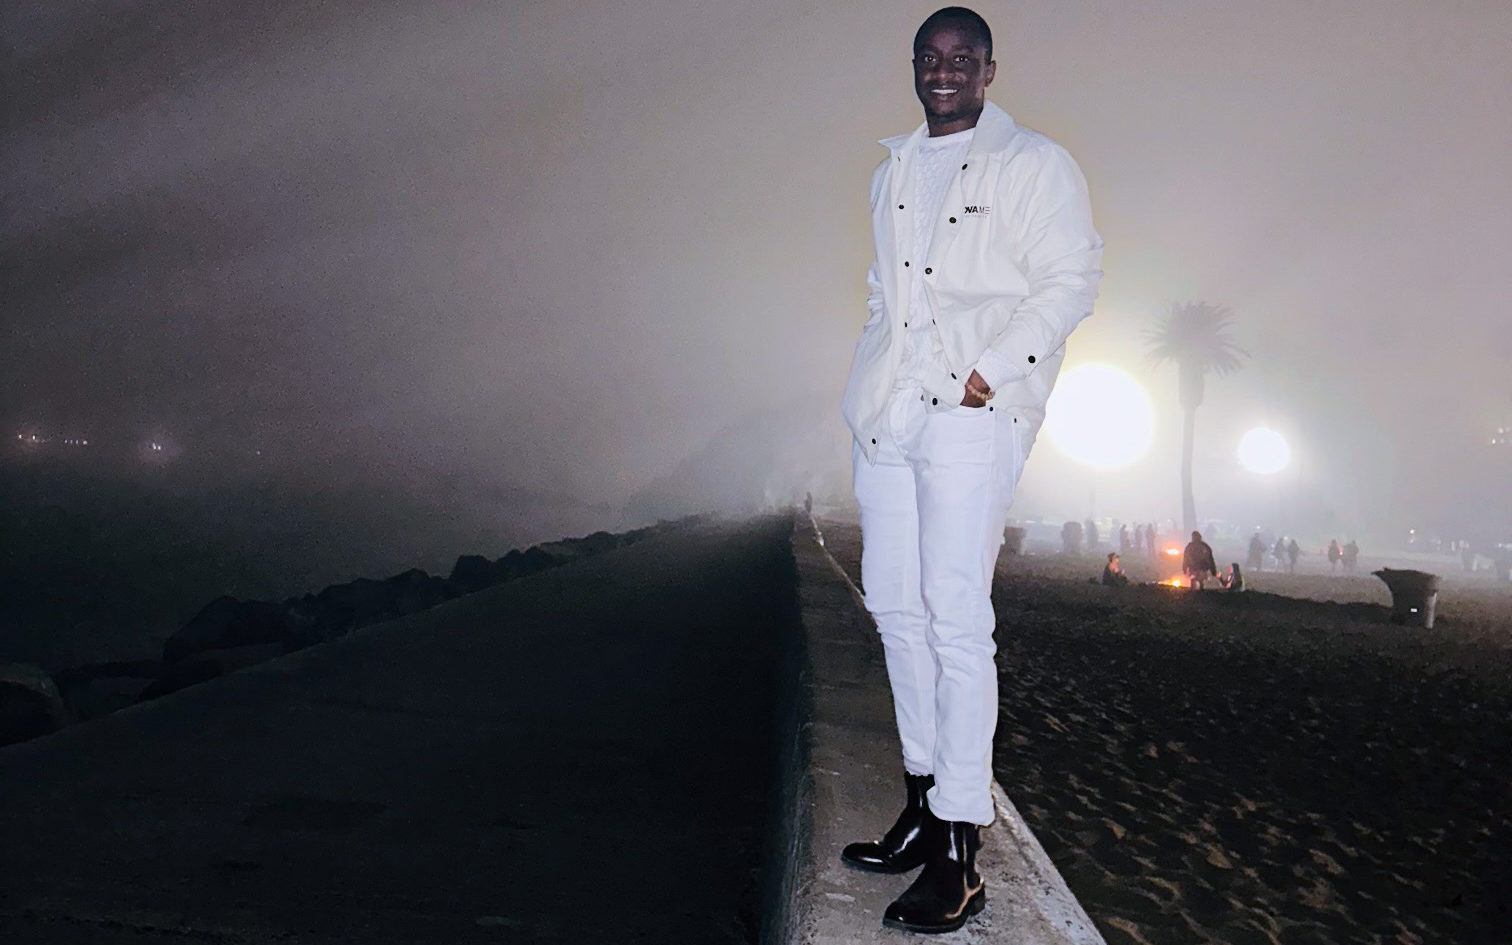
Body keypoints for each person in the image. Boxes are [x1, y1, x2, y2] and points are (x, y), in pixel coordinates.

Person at [839, 7, 1102, 934]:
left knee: (956, 619)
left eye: (961, 59)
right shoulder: (894, 170)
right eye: (929, 57)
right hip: (892, 416)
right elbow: (887, 287)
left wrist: (986, 374)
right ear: (915, 66)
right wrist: (870, 378)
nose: (942, 71)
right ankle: (921, 796)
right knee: (895, 608)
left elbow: (1070, 280)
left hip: (971, 412)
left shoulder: (1033, 164)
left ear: (989, 69)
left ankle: (960, 849)